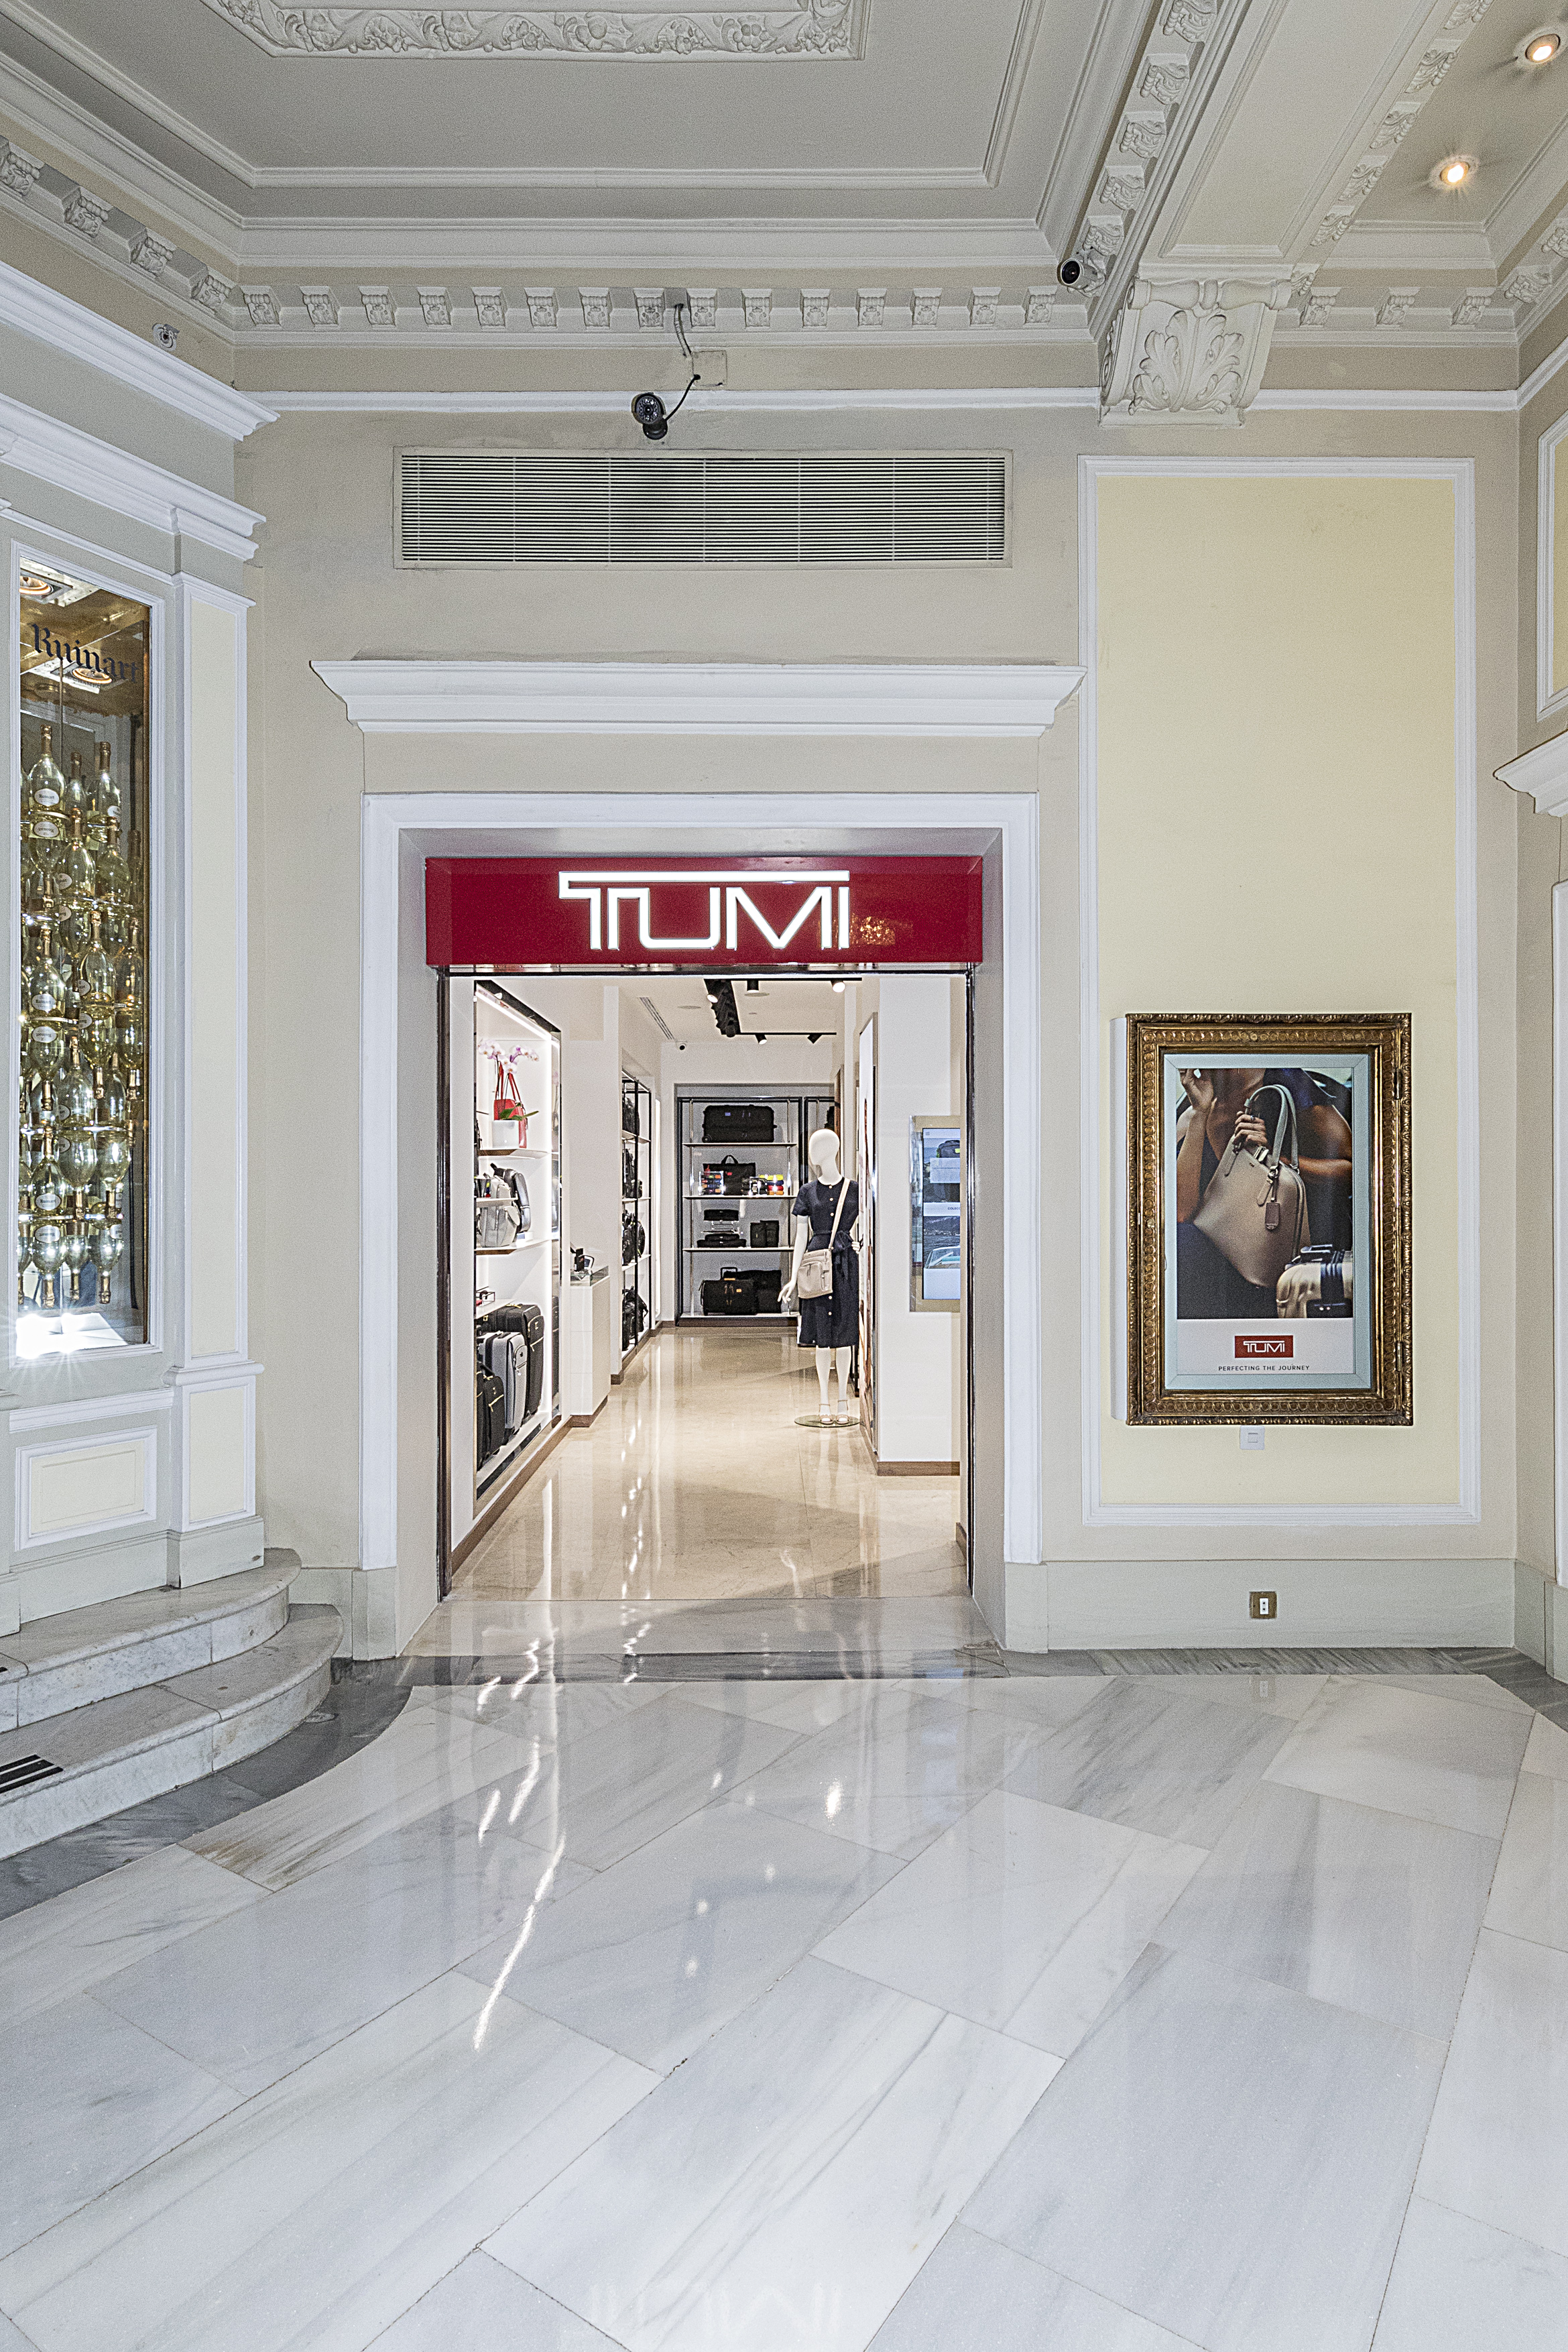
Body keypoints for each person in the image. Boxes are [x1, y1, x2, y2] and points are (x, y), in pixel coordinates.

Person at [1174, 1065, 1351, 1318]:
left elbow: (1353, 1169)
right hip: (1222, 1262)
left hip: (1286, 1259)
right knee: (1181, 1242)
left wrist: (1276, 1161)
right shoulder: (1194, 1106)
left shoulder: (1287, 1086)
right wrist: (1199, 1113)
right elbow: (1181, 1214)